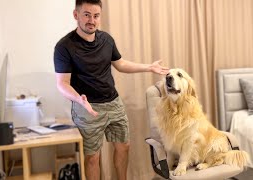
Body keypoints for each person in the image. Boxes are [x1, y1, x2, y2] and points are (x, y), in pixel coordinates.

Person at [53, 0, 169, 180]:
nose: (92, 20)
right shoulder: (64, 46)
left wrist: (148, 67)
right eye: (86, 15)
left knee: (124, 146)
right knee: (93, 157)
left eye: (96, 16)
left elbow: (120, 64)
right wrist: (79, 100)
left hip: (113, 103)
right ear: (76, 15)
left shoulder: (106, 39)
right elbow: (62, 83)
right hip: (86, 107)